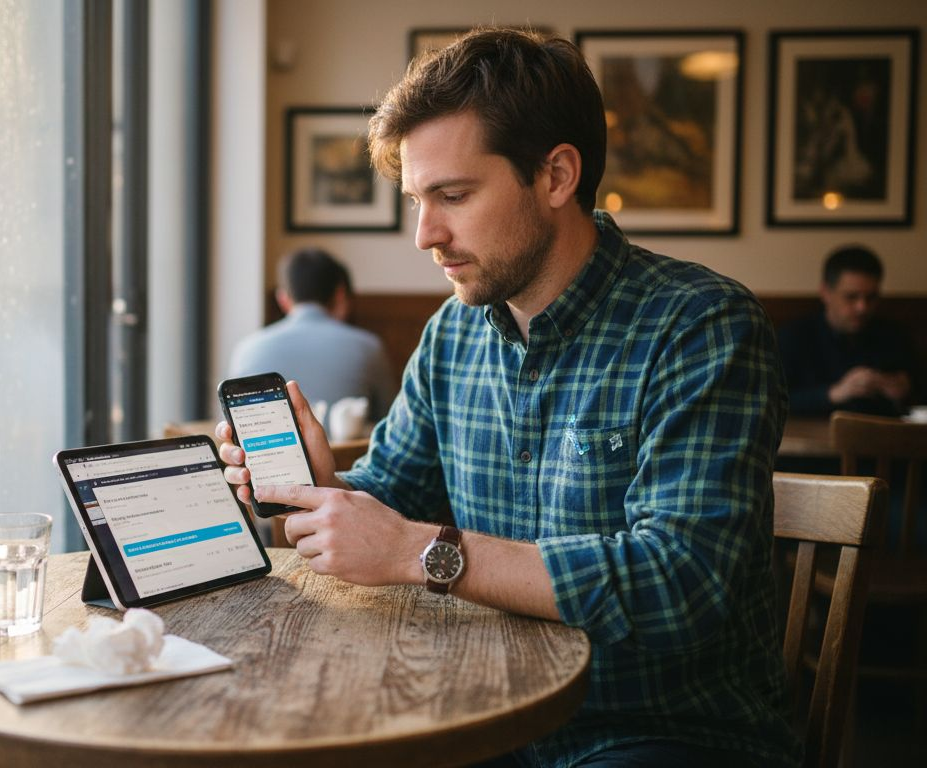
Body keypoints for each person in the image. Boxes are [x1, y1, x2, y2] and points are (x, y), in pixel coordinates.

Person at [218, 28, 796, 767]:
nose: (426, 234)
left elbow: (679, 580)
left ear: (556, 176)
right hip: (483, 714)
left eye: (453, 195)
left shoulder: (701, 325)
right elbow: (390, 501)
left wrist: (422, 552)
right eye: (418, 201)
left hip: (663, 732)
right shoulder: (453, 336)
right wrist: (320, 488)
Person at [228, 247, 397, 423]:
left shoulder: (246, 349)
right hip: (347, 451)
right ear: (340, 294)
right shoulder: (369, 347)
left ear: (283, 299)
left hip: (267, 449)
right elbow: (390, 420)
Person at [778, 245, 912, 417]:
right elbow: (776, 401)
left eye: (871, 297)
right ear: (825, 292)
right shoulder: (793, 337)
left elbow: (916, 398)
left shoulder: (894, 336)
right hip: (812, 440)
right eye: (851, 297)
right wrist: (835, 393)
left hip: (882, 439)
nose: (862, 307)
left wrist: (903, 392)